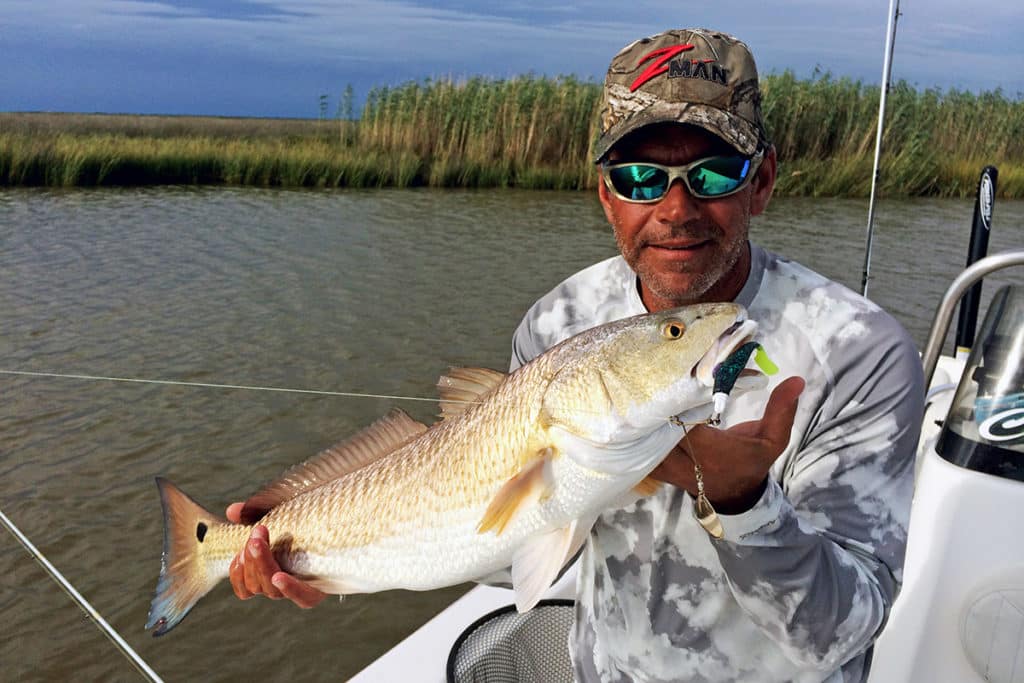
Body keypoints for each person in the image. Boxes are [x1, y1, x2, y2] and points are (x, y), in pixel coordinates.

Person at [228, 28, 924, 683]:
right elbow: (519, 548)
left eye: (713, 175)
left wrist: (744, 502)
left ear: (763, 181)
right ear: (605, 194)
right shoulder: (559, 323)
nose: (676, 208)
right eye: (641, 179)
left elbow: (843, 632)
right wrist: (324, 563)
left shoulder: (859, 354)